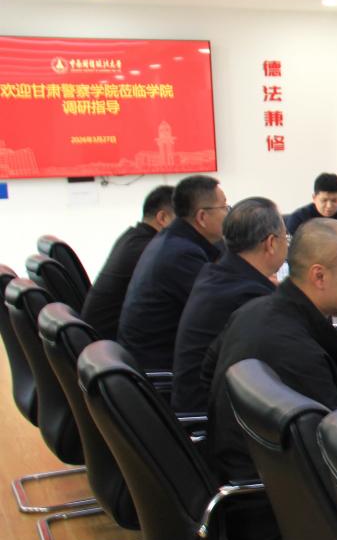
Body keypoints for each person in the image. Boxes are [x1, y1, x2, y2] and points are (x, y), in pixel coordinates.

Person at [206, 218, 337, 486]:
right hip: (275, 495)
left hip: (238, 472)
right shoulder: (299, 352)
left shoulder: (253, 310)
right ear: (319, 276)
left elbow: (207, 372)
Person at [170, 199, 288, 417]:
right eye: (285, 238)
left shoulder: (215, 274)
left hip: (193, 402)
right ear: (271, 243)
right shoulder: (248, 295)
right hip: (208, 416)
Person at [116, 175, 227, 372]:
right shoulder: (182, 254)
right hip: (159, 370)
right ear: (202, 217)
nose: (228, 214)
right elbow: (218, 310)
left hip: (144, 357)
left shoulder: (170, 239)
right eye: (224, 207)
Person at [81, 185, 175, 340]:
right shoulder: (150, 249)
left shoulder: (133, 237)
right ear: (163, 218)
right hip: (111, 344)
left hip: (100, 342)